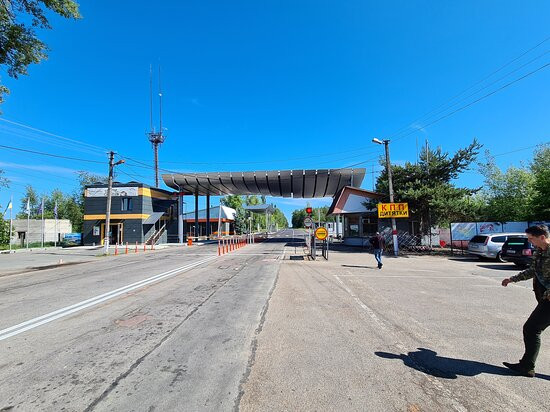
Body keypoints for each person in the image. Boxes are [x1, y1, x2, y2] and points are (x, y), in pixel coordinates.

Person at [501, 224, 550, 377]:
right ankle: (526, 365)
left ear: (542, 237)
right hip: (544, 297)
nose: (530, 242)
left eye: (531, 239)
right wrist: (512, 279)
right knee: (532, 329)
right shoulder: (539, 251)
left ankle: (527, 366)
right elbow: (533, 271)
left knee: (531, 329)